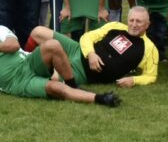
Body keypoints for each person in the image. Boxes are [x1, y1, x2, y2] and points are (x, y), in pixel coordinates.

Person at [0, 10, 120, 106]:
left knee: (53, 45)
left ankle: (73, 86)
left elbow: (14, 46)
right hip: (17, 82)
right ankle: (101, 98)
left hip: (28, 62)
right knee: (55, 88)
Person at [27, 5, 159, 87]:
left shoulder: (149, 48)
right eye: (131, 20)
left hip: (84, 72)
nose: (134, 25)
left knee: (53, 78)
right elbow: (88, 36)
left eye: (139, 21)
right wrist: (91, 54)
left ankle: (26, 71)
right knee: (38, 31)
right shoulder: (115, 26)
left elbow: (151, 76)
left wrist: (134, 80)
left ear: (147, 24)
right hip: (77, 50)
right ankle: (25, 57)